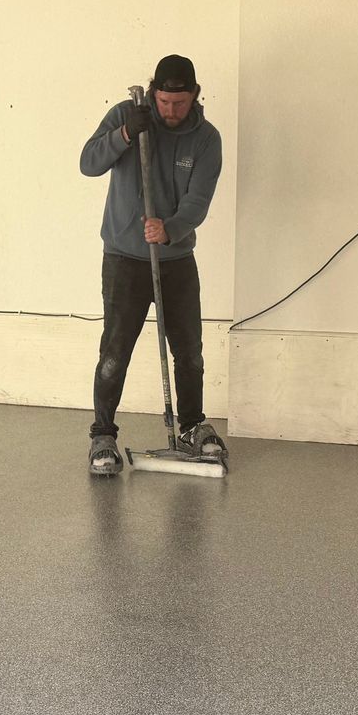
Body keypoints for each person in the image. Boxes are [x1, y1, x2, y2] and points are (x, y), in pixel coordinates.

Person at [77, 54, 226, 476]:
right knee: (114, 353)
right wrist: (125, 134)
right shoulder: (127, 114)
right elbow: (89, 163)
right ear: (153, 92)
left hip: (176, 257)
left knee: (190, 353)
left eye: (179, 103)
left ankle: (192, 427)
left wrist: (171, 228)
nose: (170, 111)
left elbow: (198, 200)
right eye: (163, 102)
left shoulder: (206, 139)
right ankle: (103, 436)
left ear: (195, 95)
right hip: (124, 257)